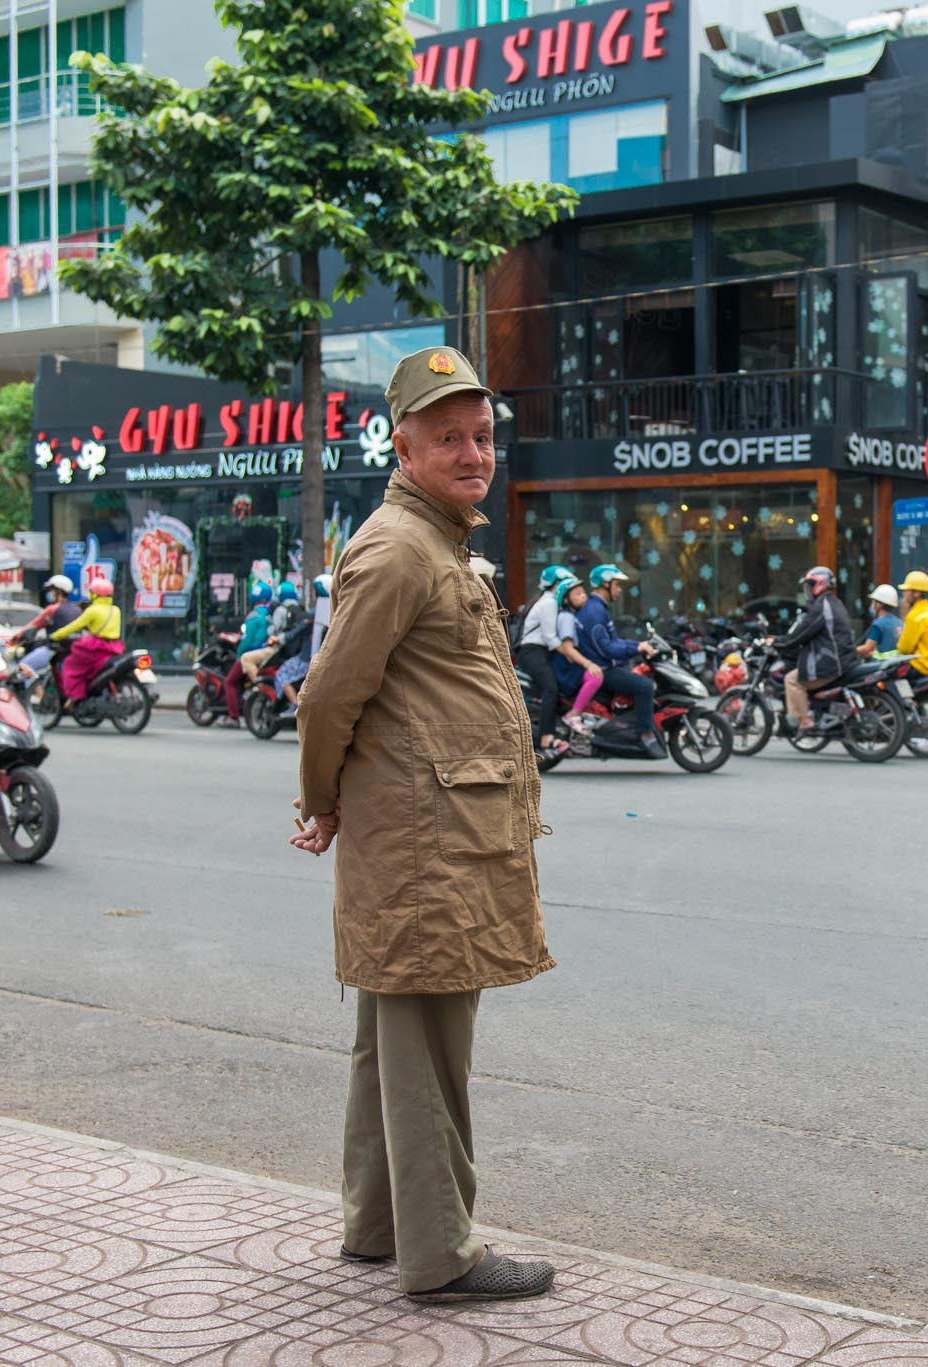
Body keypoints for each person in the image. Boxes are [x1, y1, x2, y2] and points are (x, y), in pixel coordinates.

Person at [291, 345, 556, 1304]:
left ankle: (377, 1223)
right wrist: (320, 801)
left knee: (392, 1034)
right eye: (448, 437)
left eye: (481, 435)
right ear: (402, 445)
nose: (472, 452)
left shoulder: (438, 540)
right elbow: (328, 696)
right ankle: (441, 1252)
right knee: (429, 1046)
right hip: (424, 846)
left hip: (434, 834)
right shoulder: (401, 549)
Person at [574, 563, 665, 758]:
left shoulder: (598, 608)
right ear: (605, 584)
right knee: (645, 686)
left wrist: (637, 644)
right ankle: (645, 735)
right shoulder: (595, 612)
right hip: (603, 669)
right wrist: (636, 648)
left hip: (604, 665)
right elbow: (606, 649)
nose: (619, 589)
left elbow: (613, 641)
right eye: (617, 585)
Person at [770, 566, 853, 738]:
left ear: (820, 584)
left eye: (810, 586)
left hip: (830, 662)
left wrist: (778, 642)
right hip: (844, 660)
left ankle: (804, 721)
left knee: (792, 679)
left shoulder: (821, 606)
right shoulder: (835, 602)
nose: (807, 591)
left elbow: (802, 632)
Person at [515, 567, 576, 760]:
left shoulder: (548, 602)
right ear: (557, 585)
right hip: (533, 652)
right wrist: (571, 654)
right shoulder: (549, 603)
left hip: (537, 652)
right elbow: (551, 638)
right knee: (551, 689)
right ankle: (545, 738)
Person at [49, 574, 123, 703]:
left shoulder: (92, 610)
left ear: (95, 594)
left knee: (71, 665)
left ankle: (74, 696)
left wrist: (56, 635)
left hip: (96, 647)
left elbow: (75, 626)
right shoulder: (116, 610)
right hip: (114, 647)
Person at [273, 573, 332, 717]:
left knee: (282, 674)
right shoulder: (336, 611)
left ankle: (295, 704)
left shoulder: (314, 614)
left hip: (308, 658)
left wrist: (279, 639)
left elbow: (296, 632)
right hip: (328, 659)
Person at [552, 577, 604, 732]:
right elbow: (568, 648)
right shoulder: (567, 618)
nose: (583, 596)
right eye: (577, 594)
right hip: (565, 666)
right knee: (596, 677)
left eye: (583, 593)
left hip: (570, 664)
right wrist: (588, 664)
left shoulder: (575, 616)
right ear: (566, 600)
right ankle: (573, 714)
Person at [224, 582, 274, 726]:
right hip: (267, 653)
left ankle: (233, 717)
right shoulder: (270, 613)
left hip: (252, 654)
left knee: (229, 682)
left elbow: (247, 640)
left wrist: (239, 654)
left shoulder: (254, 615)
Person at [16, 575, 81, 683]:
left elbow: (34, 625)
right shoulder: (77, 609)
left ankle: (34, 695)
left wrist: (16, 637)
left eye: (52, 591)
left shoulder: (52, 609)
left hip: (54, 650)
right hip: (73, 651)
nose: (50, 594)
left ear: (58, 592)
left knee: (24, 665)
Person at [894, 570, 928, 675]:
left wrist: (902, 635)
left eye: (907, 590)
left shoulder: (915, 616)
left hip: (920, 667)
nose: (904, 593)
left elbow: (904, 648)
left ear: (917, 593)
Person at [856, 584, 903, 658]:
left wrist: (849, 651)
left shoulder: (878, 624)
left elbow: (867, 648)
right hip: (896, 665)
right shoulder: (900, 623)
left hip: (881, 666)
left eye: (873, 602)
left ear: (879, 604)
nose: (872, 605)